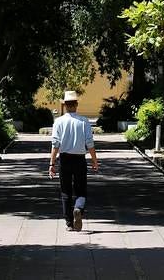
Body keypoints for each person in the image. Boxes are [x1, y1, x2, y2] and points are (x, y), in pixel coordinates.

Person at [48, 90, 98, 231]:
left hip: (64, 159)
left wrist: (52, 164)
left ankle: (69, 223)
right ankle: (78, 208)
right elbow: (90, 143)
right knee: (81, 190)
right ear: (76, 104)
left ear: (65, 105)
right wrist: (94, 161)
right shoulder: (84, 121)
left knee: (65, 191)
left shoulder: (58, 122)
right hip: (79, 159)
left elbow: (55, 144)